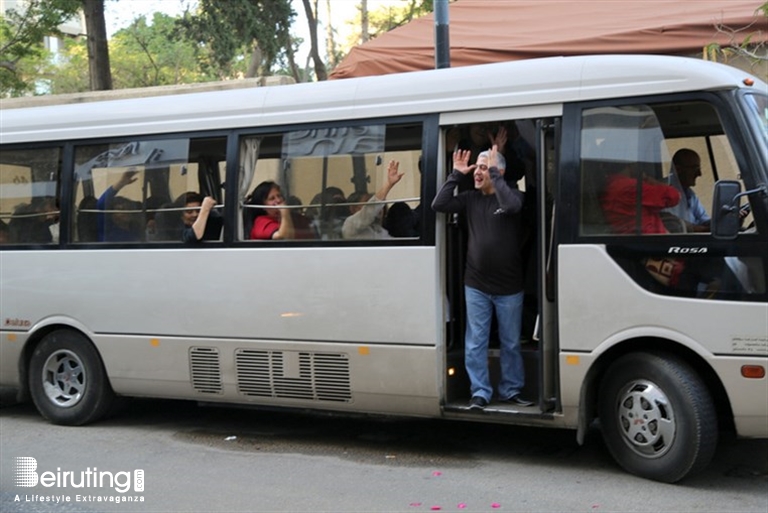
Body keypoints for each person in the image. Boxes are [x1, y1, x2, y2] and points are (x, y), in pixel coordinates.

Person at [432, 145, 532, 410]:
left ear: (498, 171)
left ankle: (510, 390)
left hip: (510, 286)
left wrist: (497, 176)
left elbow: (511, 206)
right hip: (475, 284)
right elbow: (438, 204)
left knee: (510, 342)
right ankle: (480, 392)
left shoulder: (514, 197)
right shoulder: (469, 198)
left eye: (483, 167)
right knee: (476, 341)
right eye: (477, 166)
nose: (477, 171)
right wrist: (456, 174)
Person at [600, 163, 680, 234]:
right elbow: (674, 196)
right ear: (631, 164)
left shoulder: (610, 186)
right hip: (649, 242)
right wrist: (647, 178)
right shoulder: (630, 187)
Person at [342, 160, 403, 240]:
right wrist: (388, 184)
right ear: (354, 208)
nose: (379, 208)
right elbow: (368, 211)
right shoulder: (350, 225)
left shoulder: (379, 229)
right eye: (368, 203)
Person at [248, 181, 314, 240]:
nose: (278, 200)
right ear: (263, 206)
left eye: (279, 196)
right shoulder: (261, 222)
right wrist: (285, 213)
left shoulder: (286, 218)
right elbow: (283, 237)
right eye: (272, 198)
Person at [665, 148, 710, 232]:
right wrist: (703, 229)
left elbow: (703, 219)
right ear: (678, 170)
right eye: (695, 169)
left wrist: (728, 220)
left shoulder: (689, 193)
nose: (699, 173)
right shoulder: (663, 191)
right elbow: (671, 224)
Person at [96, 170, 142, 242]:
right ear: (112, 215)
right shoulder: (108, 231)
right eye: (121, 209)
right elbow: (101, 204)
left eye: (128, 208)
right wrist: (121, 182)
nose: (126, 212)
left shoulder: (136, 229)